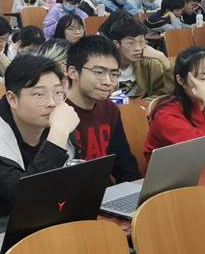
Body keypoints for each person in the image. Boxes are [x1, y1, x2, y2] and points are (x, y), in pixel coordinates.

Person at [0, 54, 79, 218]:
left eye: (58, 92)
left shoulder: (57, 122)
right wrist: (58, 136)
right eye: (39, 95)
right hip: (1, 227)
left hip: (52, 218)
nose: (52, 103)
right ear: (12, 99)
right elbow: (27, 197)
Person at [65, 36, 141, 181]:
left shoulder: (110, 109)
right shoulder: (55, 113)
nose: (108, 82)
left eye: (114, 74)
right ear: (73, 72)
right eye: (99, 72)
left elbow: (125, 167)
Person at [144, 47, 205, 162]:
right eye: (203, 78)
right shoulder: (166, 115)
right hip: (174, 171)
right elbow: (199, 150)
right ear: (181, 80)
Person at [108, 17, 173, 98]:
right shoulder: (105, 66)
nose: (138, 48)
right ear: (116, 44)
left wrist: (162, 58)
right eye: (130, 43)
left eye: (141, 41)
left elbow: (166, 93)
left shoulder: (150, 63)